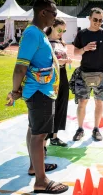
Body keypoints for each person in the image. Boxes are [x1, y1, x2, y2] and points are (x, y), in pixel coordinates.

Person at [5, 0, 68, 194]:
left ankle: (35, 167)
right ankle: (41, 180)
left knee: (34, 130)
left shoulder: (39, 33)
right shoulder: (33, 34)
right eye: (54, 13)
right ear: (43, 13)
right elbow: (19, 68)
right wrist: (15, 91)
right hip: (40, 92)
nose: (55, 17)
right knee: (39, 135)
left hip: (41, 91)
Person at [70, 7, 103, 142]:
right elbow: (75, 52)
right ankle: (80, 129)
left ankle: (96, 129)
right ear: (89, 18)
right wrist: (84, 48)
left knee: (99, 102)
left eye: (100, 20)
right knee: (82, 102)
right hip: (84, 73)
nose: (97, 22)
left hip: (101, 74)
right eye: (95, 19)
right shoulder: (82, 34)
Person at [44, 17, 72, 149]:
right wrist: (57, 62)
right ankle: (44, 139)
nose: (61, 33)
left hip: (63, 75)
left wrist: (66, 60)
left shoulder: (62, 43)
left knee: (61, 104)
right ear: (52, 27)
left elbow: (61, 58)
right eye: (59, 30)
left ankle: (54, 137)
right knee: (49, 108)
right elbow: (44, 61)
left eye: (64, 31)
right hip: (50, 77)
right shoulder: (45, 41)